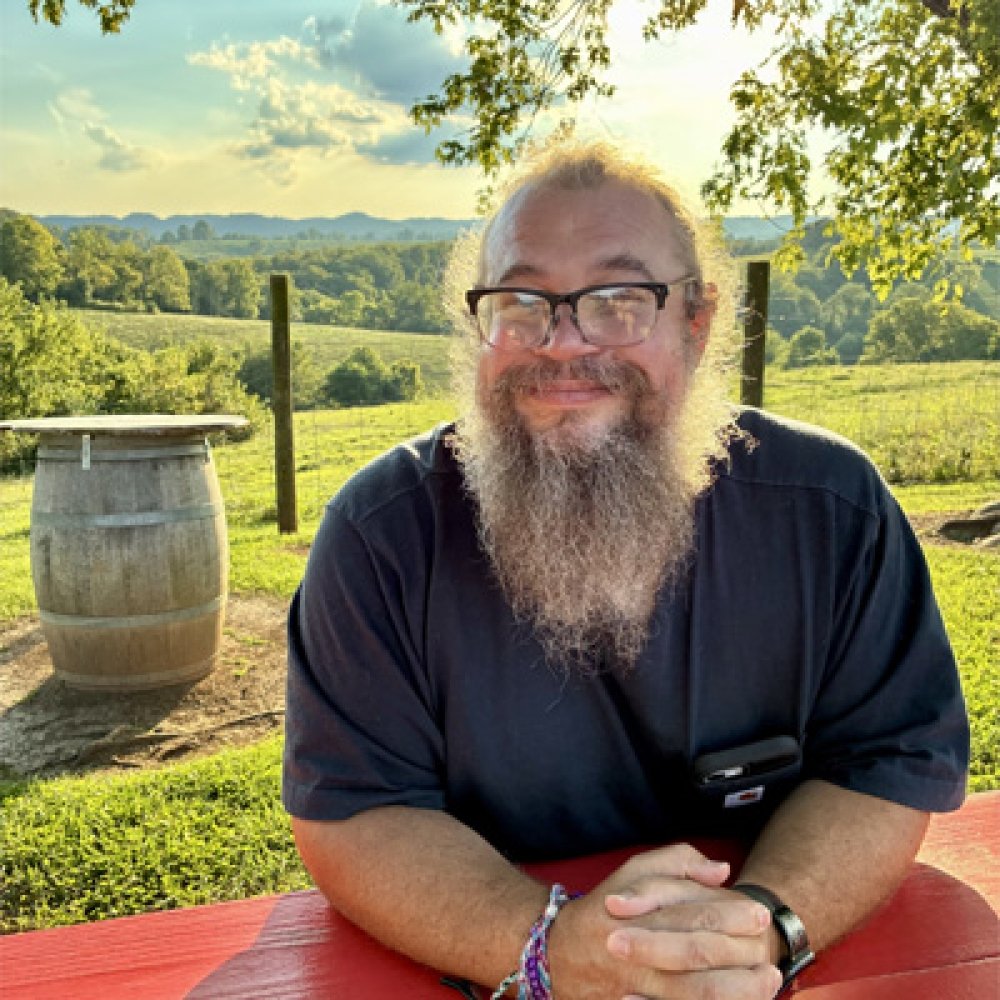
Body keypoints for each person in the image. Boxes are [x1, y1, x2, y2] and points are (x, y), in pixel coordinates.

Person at [282, 141, 969, 1000]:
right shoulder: (379, 535)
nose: (563, 345)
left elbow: (884, 763)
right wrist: (548, 951)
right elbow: (357, 812)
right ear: (479, 327)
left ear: (697, 321)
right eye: (522, 302)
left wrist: (763, 928)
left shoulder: (833, 511)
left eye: (616, 301)